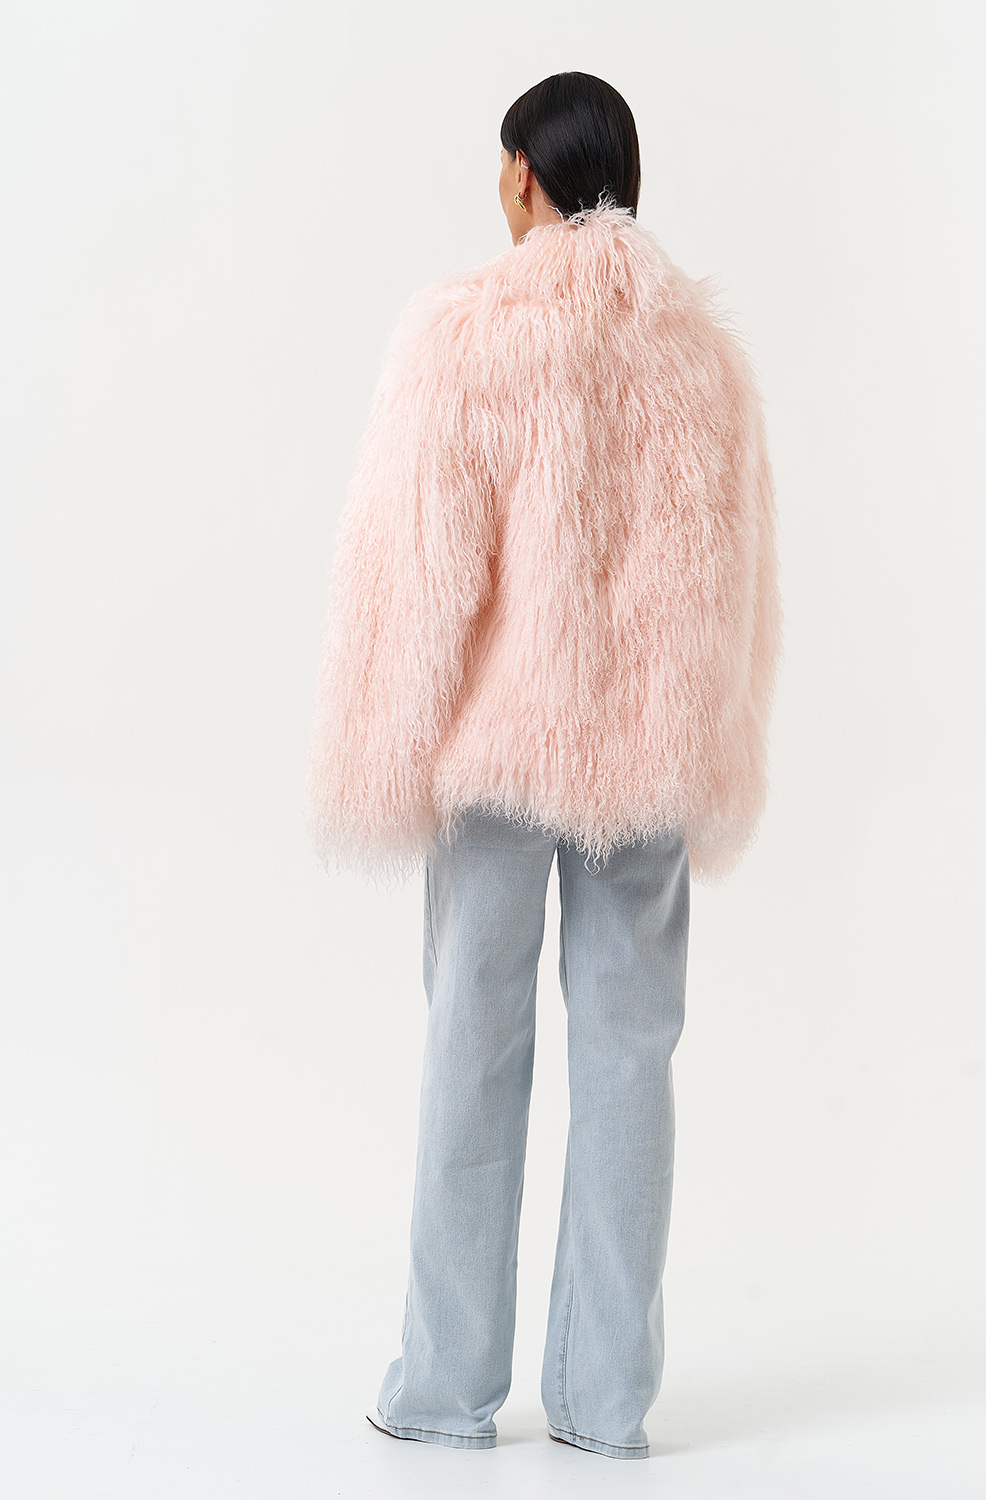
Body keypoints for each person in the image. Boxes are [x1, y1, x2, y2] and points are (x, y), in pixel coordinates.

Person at [305, 72, 782, 1460]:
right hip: (652, 760)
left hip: (501, 758)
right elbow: (739, 577)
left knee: (473, 1046)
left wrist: (388, 749)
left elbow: (418, 573)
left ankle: (445, 1391)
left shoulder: (467, 332)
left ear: (523, 175)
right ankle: (607, 1402)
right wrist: (709, 739)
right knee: (632, 1061)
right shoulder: (703, 351)